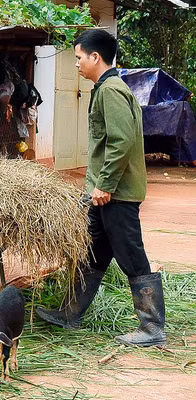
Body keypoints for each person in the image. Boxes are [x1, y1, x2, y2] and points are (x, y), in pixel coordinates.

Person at [35, 29, 165, 347]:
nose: (77, 64)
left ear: (95, 57)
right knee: (91, 254)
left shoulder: (111, 91)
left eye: (79, 57)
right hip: (103, 194)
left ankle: (152, 329)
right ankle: (69, 313)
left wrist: (104, 185)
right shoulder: (105, 88)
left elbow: (121, 142)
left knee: (132, 258)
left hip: (116, 195)